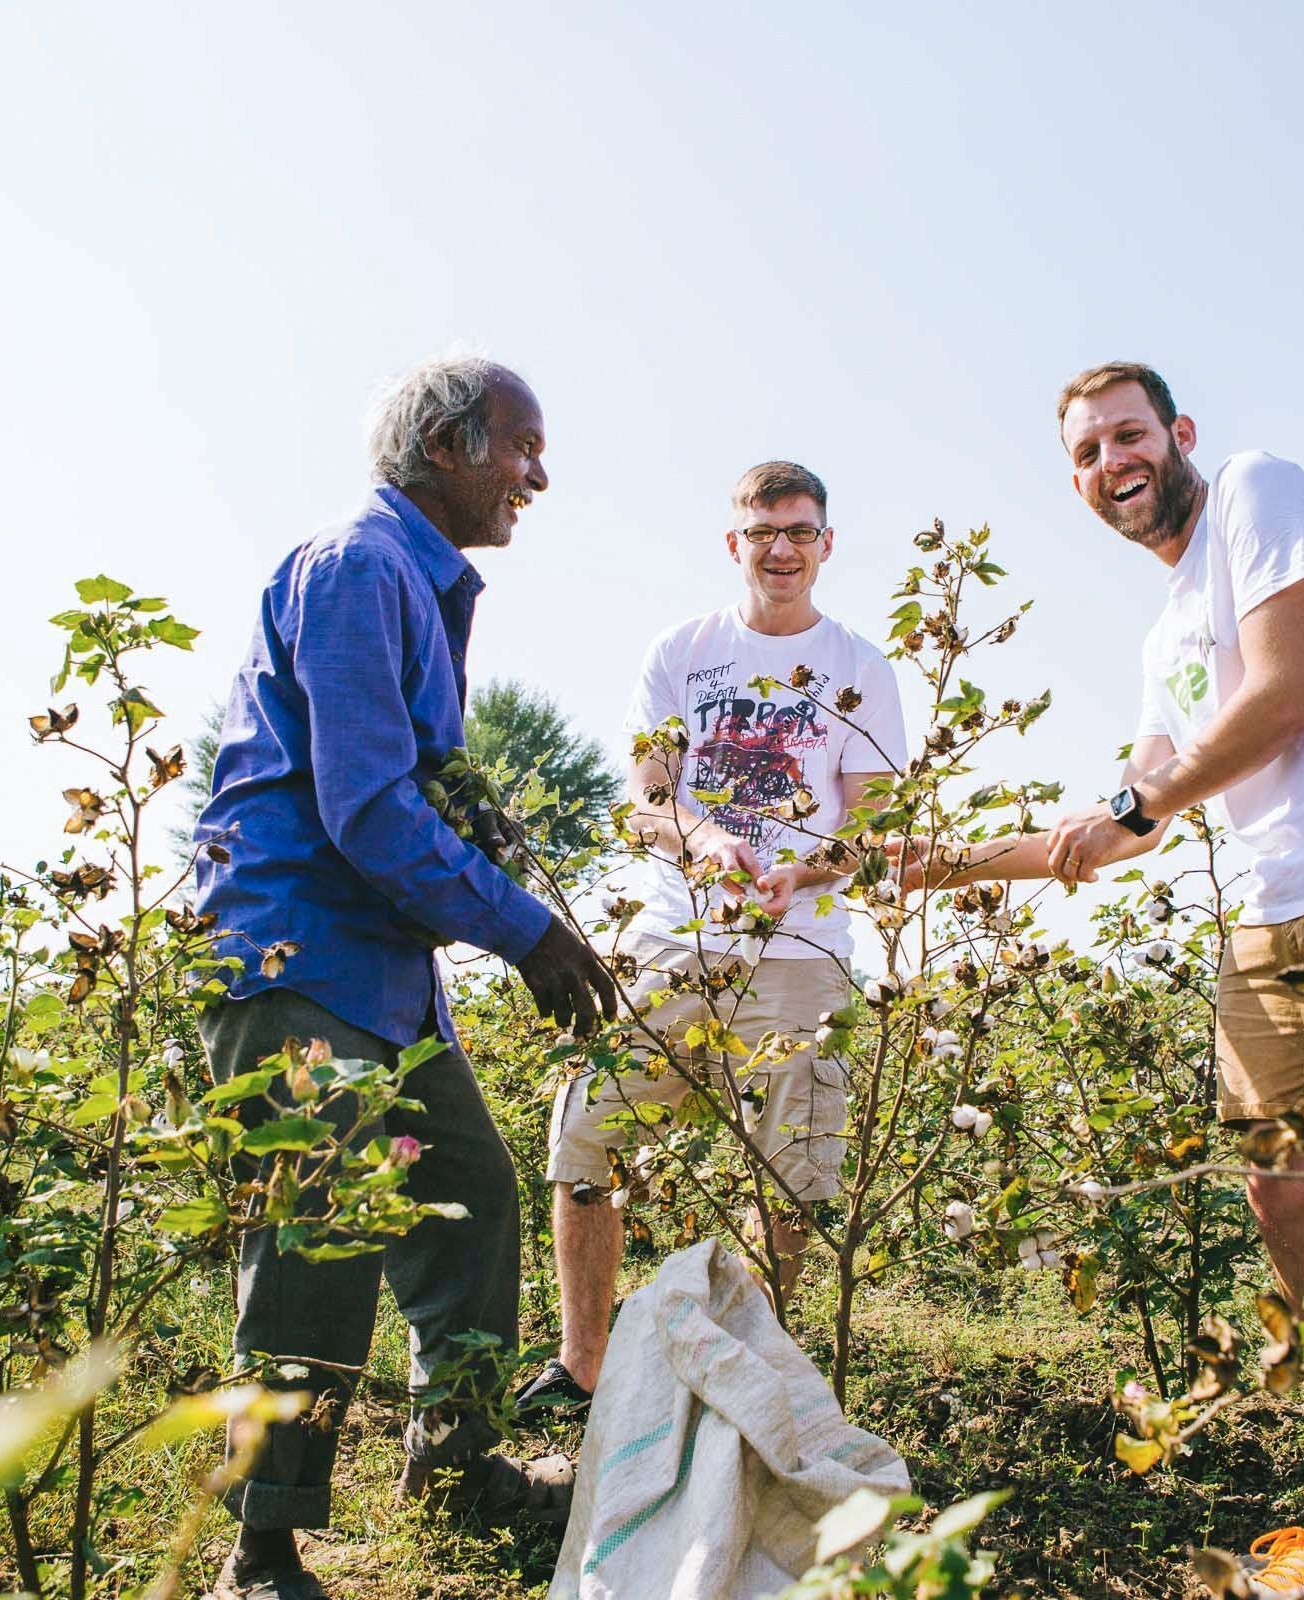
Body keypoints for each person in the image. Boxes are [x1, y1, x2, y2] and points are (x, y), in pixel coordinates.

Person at [898, 362, 1304, 1600]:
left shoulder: (1259, 493)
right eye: (1086, 451)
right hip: (1272, 904)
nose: (1111, 461)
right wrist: (939, 864)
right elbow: (1127, 823)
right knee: (1282, 1193)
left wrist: (1134, 803)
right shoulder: (1164, 632)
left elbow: (1281, 698)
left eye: (1129, 435)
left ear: (1179, 436)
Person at [192, 354, 616, 1600]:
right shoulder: (358, 567)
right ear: (446, 444)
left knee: (468, 1194)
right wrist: (527, 930)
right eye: (522, 447)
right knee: (316, 1238)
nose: (538, 475)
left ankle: (459, 1465)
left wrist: (487, 844)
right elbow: (369, 807)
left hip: (380, 969)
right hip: (299, 953)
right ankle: (262, 1550)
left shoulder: (416, 587)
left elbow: (410, 790)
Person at [512, 459, 907, 1416]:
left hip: (802, 952)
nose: (781, 550)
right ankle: (582, 1369)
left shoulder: (861, 667)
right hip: (673, 937)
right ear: (735, 543)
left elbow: (872, 823)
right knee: (588, 1135)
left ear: (826, 543)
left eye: (800, 532)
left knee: (792, 1174)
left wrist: (801, 873)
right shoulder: (682, 652)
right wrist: (706, 840)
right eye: (762, 532)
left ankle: (743, 1383)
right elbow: (647, 800)